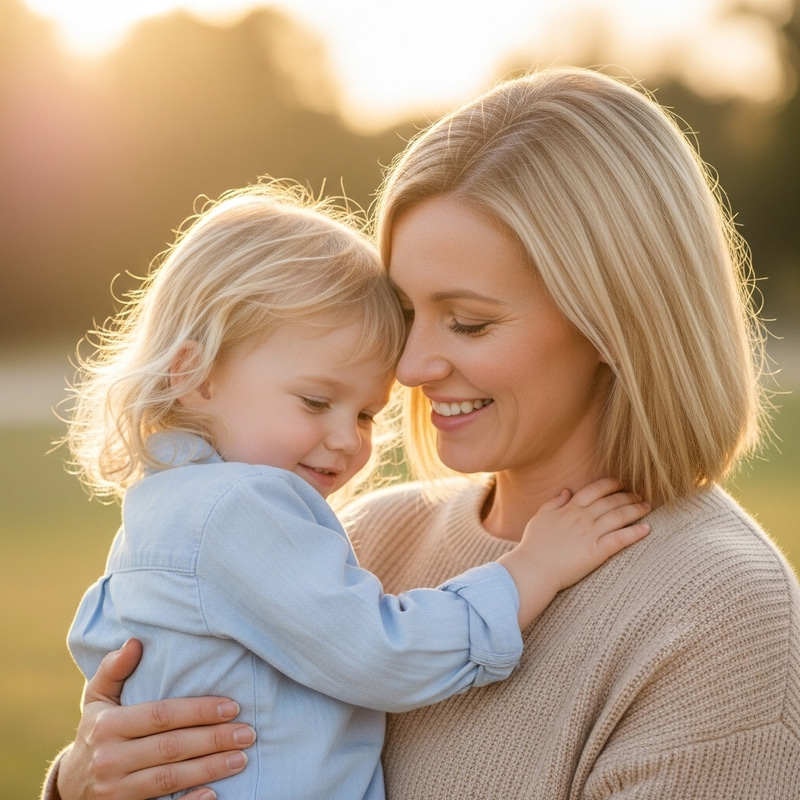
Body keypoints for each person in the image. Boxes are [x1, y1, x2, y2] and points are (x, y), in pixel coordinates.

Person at [42, 66, 800, 800]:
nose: (408, 365)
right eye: (404, 316)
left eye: (467, 321)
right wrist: (83, 785)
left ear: (615, 319)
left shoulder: (721, 613)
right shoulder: (365, 538)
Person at [51, 179, 651, 800]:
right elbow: (381, 654)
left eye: (366, 414)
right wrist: (532, 568)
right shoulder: (238, 509)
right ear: (194, 375)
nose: (347, 440)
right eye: (316, 401)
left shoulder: (161, 513)